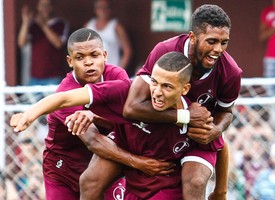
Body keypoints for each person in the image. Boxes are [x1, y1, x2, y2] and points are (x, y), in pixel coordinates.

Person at [10, 52, 214, 199]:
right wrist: (29, 115)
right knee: (89, 181)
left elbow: (217, 145)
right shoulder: (127, 91)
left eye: (167, 86)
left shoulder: (195, 117)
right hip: (99, 164)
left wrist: (220, 191)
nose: (157, 92)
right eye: (154, 82)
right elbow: (64, 98)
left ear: (185, 89)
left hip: (160, 181)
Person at [12, 27, 172, 200]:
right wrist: (139, 163)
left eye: (94, 55)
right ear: (70, 61)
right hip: (63, 171)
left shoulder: (118, 76)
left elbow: (125, 119)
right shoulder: (66, 91)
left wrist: (94, 116)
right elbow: (93, 140)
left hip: (104, 164)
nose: (88, 62)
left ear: (104, 55)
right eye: (80, 57)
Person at [122, 4, 242, 199]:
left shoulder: (231, 72)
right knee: (93, 179)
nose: (218, 49)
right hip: (158, 131)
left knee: (195, 181)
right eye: (211, 41)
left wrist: (216, 130)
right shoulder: (165, 50)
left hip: (196, 139)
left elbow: (227, 112)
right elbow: (132, 107)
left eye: (224, 42)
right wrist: (185, 116)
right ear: (192, 37)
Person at [17, 0, 69, 86]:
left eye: (47, 5)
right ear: (38, 7)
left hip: (54, 77)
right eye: (42, 5)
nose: (44, 8)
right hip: (35, 78)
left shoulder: (60, 23)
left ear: (52, 7)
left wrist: (43, 25)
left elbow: (58, 44)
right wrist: (26, 22)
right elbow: (21, 43)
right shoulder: (33, 25)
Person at [85, 0, 132, 70]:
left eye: (105, 7)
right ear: (95, 9)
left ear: (110, 9)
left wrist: (118, 71)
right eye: (99, 7)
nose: (102, 10)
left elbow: (127, 51)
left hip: (110, 71)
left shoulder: (116, 27)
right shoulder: (88, 26)